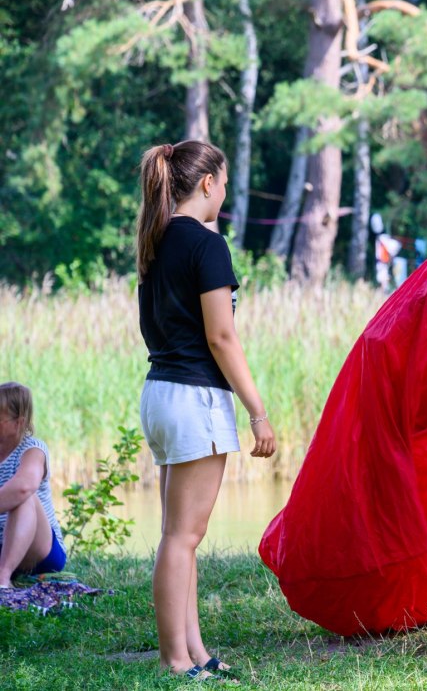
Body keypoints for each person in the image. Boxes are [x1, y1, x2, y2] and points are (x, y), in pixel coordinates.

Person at [135, 140, 276, 682]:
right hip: (194, 396)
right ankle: (175, 660)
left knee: (181, 535)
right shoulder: (206, 246)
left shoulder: (155, 239)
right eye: (223, 180)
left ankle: (196, 653)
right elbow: (222, 337)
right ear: (208, 184)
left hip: (161, 393)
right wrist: (258, 412)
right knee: (182, 538)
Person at [0, 382, 66, 588]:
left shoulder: (33, 449)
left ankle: (3, 578)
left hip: (40, 553)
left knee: (25, 497)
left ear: (19, 422)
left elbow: (24, 486)